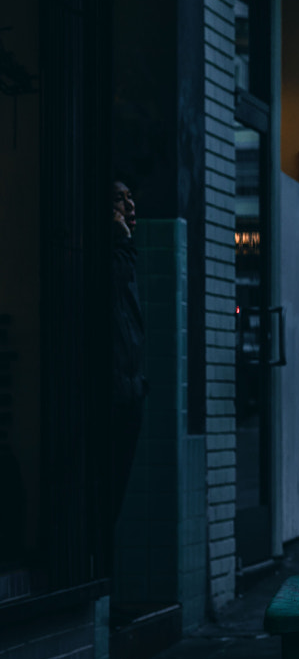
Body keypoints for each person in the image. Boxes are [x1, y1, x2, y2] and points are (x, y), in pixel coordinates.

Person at [110, 178, 147, 529]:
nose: (130, 206)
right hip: (117, 394)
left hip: (129, 391)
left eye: (130, 197)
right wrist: (122, 240)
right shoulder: (113, 258)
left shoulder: (124, 255)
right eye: (121, 201)